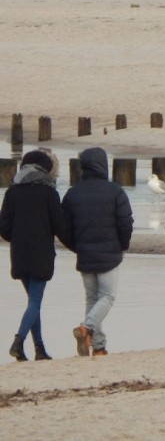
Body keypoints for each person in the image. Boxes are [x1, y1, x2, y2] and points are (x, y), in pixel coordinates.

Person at [62, 147, 134, 357]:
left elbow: (63, 227)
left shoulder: (73, 193)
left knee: (92, 298)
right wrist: (123, 245)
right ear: (103, 165)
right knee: (107, 297)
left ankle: (99, 346)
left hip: (85, 253)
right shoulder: (115, 191)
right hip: (109, 254)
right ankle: (87, 328)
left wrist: (76, 246)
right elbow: (125, 222)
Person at [0, 151, 66, 362]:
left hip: (19, 253)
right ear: (45, 169)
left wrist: (18, 238)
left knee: (33, 301)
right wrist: (77, 245)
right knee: (35, 301)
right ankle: (18, 342)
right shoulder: (49, 193)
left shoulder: (12, 192)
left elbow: (4, 229)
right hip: (41, 253)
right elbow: (60, 226)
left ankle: (39, 349)